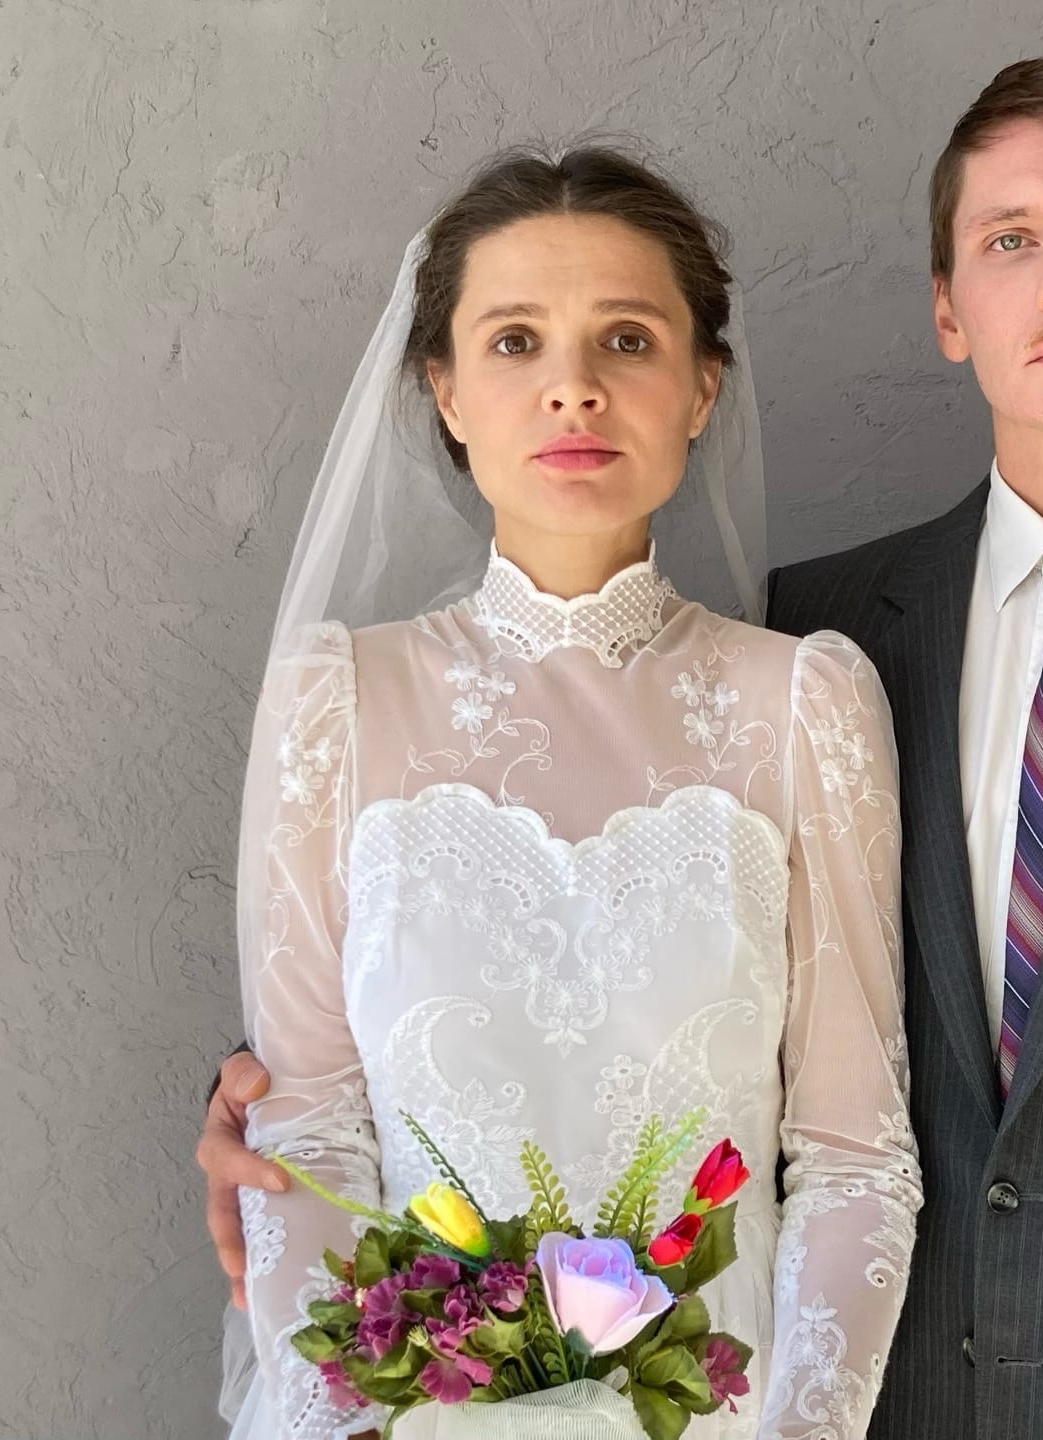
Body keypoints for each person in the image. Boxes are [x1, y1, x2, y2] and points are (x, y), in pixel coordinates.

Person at [207, 52, 1043, 1439]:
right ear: (949, 306)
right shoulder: (827, 633)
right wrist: (261, 1105)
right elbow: (459, 982)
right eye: (1010, 240)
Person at [215, 144, 920, 1440]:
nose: (574, 388)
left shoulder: (805, 704)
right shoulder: (336, 703)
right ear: (444, 389)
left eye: (628, 340)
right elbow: (308, 1128)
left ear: (703, 386)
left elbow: (855, 1155)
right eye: (515, 341)